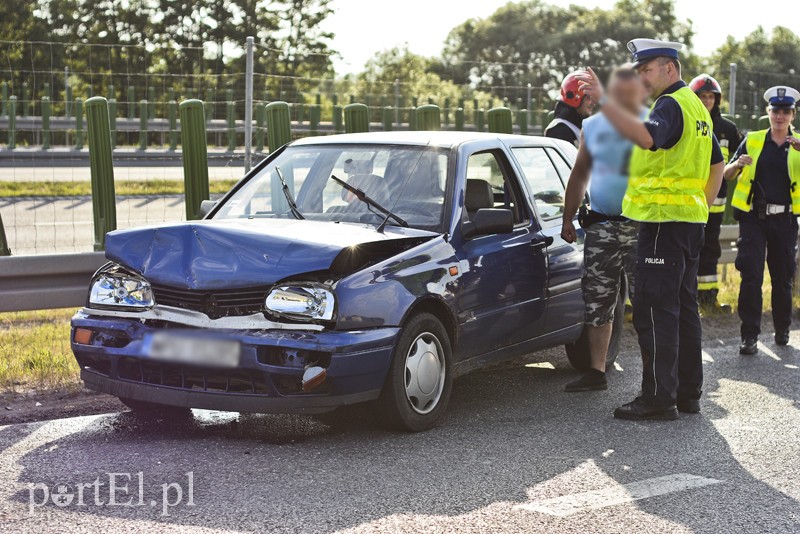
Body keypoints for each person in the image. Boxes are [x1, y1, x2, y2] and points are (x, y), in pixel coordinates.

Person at [576, 38, 725, 420]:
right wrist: (700, 207)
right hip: (688, 222)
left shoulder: (672, 104)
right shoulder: (697, 108)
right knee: (684, 309)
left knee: (655, 310)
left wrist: (606, 101)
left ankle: (659, 398)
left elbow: (646, 137)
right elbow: (716, 164)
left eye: (646, 69)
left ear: (670, 69)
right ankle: (688, 394)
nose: (641, 77)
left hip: (662, 222)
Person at [560, 66, 647, 392]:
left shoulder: (649, 123)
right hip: (602, 227)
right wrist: (568, 218)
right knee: (597, 300)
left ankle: (654, 377)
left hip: (640, 227)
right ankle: (596, 371)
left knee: (646, 303)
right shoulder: (593, 125)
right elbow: (580, 173)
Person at [724, 85, 800, 355]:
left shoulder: (799, 144)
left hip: (786, 220)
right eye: (775, 110)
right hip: (754, 218)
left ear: (792, 114)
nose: (780, 116)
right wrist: (736, 165)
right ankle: (750, 336)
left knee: (782, 278)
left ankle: (781, 328)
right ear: (768, 112)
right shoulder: (753, 139)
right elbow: (727, 173)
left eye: (785, 111)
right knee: (751, 275)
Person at [689, 74, 742, 314]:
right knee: (689, 250)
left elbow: (736, 160)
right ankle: (688, 298)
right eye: (702, 96)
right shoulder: (686, 122)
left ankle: (708, 298)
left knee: (710, 249)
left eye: (711, 96)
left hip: (716, 205)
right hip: (689, 203)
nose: (707, 100)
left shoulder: (727, 129)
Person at [545, 72, 595, 147]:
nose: (593, 102)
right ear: (575, 98)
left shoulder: (579, 127)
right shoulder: (560, 131)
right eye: (589, 97)